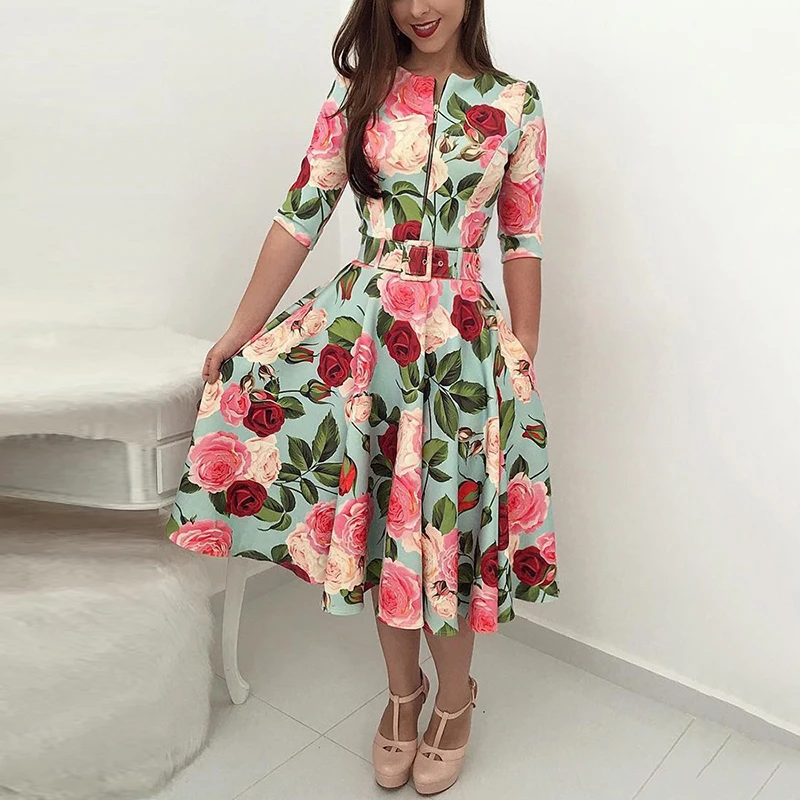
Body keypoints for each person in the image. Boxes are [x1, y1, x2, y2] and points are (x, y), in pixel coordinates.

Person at [165, 0, 559, 793]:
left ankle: (455, 700)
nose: (419, 8)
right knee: (387, 524)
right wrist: (242, 330)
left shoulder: (516, 103)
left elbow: (521, 239)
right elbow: (299, 215)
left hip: (462, 350)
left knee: (443, 526)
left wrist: (523, 351)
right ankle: (403, 697)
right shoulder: (359, 94)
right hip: (371, 338)